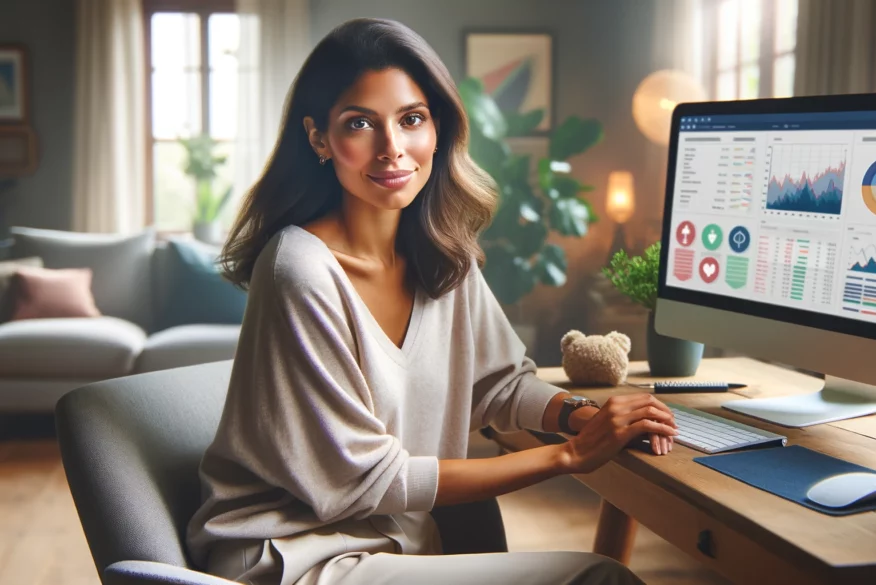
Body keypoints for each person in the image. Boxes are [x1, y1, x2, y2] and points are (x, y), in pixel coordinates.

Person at [187, 17, 679, 585]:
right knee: (598, 578)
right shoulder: (298, 268)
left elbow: (500, 384)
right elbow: (366, 479)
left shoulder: (445, 254)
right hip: (295, 555)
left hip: (394, 541)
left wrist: (582, 416)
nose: (393, 149)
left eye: (411, 119)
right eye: (360, 124)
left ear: (437, 127)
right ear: (319, 138)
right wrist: (570, 454)